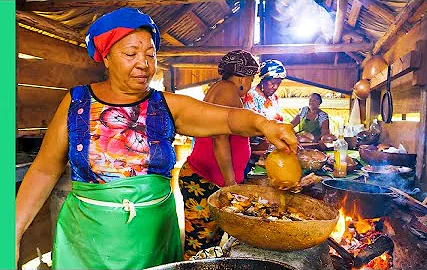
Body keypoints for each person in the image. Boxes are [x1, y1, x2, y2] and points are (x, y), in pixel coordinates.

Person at [14, 8, 297, 270]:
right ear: (107, 57)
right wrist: (13, 232)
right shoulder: (77, 103)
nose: (144, 64)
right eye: (131, 53)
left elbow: (228, 119)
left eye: (150, 54)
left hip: (153, 241)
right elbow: (44, 169)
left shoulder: (167, 107)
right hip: (88, 243)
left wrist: (264, 124)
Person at [178, 50, 259, 260]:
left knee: (208, 246)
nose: (249, 85)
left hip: (206, 179)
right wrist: (230, 183)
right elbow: (220, 139)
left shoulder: (221, 89)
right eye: (250, 80)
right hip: (204, 180)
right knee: (200, 246)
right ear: (242, 77)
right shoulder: (227, 91)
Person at [243, 59, 287, 177]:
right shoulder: (250, 96)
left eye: (278, 83)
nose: (275, 86)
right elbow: (248, 126)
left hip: (270, 150)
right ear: (263, 80)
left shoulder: (274, 98)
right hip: (252, 152)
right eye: (272, 82)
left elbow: (277, 121)